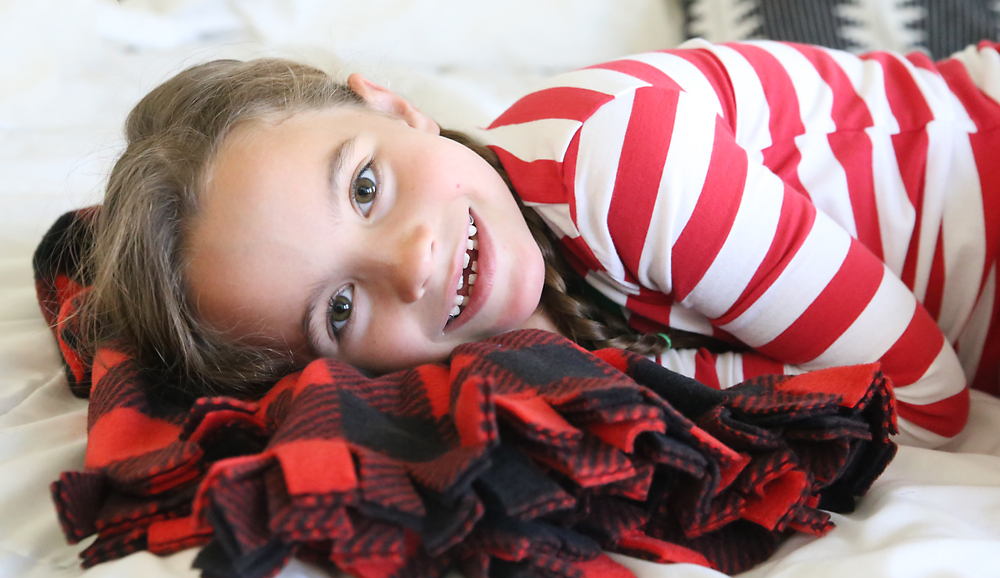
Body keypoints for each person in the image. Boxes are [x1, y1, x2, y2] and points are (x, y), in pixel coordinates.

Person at [81, 39, 1000, 449]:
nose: (410, 261)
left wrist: (624, 376)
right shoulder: (513, 348)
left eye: (366, 185)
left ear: (395, 106)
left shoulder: (622, 164)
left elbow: (917, 405)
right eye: (341, 308)